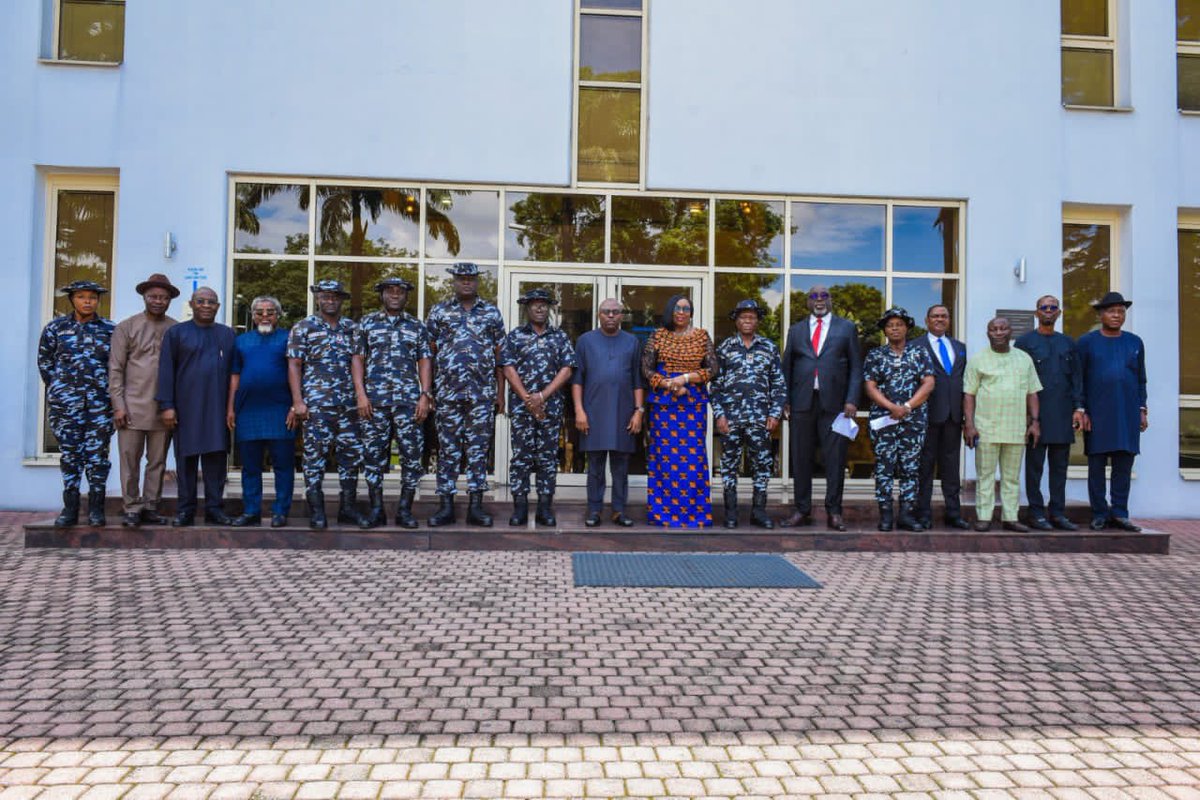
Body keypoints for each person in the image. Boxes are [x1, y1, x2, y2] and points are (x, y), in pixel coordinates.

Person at [425, 262, 506, 527]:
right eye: (461, 278)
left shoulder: (491, 313)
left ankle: (476, 507)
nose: (467, 282)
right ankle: (445, 507)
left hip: (482, 395)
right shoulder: (439, 311)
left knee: (478, 451)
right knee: (448, 451)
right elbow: (429, 352)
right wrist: (429, 391)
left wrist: (500, 394)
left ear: (477, 281)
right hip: (447, 395)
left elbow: (500, 355)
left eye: (471, 278)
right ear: (454, 281)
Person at [352, 276, 433, 529]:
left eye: (400, 291)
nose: (395, 295)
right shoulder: (367, 323)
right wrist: (361, 394)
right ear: (382, 295)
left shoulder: (417, 326)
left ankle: (404, 511)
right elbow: (357, 359)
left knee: (411, 457)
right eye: (390, 291)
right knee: (373, 456)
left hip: (408, 402)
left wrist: (425, 395)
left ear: (406, 296)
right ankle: (376, 510)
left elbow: (424, 361)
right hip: (374, 402)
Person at [781, 284, 862, 531]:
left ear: (831, 300)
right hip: (801, 403)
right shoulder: (795, 330)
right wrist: (784, 400)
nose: (819, 300)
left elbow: (856, 367)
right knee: (801, 458)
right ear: (808, 301)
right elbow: (787, 367)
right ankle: (801, 509)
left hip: (835, 405)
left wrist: (852, 399)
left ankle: (834, 511)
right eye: (814, 296)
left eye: (824, 296)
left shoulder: (846, 328)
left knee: (835, 459)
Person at [287, 280, 367, 530]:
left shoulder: (351, 328)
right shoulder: (304, 327)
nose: (330, 300)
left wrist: (360, 395)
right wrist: (297, 401)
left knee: (350, 456)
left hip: (348, 405)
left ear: (341, 300)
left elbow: (357, 361)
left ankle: (347, 509)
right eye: (325, 296)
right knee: (315, 458)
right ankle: (317, 512)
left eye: (334, 296)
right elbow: (294, 365)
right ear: (317, 299)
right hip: (317, 405)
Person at [38, 280, 116, 528]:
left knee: (98, 457)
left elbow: (117, 366)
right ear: (72, 299)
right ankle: (70, 508)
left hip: (100, 406)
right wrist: (60, 389)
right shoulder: (55, 329)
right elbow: (45, 363)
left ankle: (96, 509)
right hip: (66, 406)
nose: (87, 301)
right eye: (81, 297)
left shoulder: (110, 330)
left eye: (92, 297)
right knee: (71, 456)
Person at [157, 286, 237, 526]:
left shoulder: (227, 334)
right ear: (191, 304)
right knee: (186, 462)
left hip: (217, 409)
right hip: (186, 409)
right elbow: (166, 370)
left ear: (218, 307)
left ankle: (215, 509)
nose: (206, 305)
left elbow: (235, 373)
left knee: (216, 461)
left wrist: (232, 408)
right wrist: (167, 405)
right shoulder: (176, 333)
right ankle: (185, 510)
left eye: (211, 302)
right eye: (200, 301)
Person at [500, 288, 577, 527]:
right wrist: (528, 399)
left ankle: (545, 507)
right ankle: (520, 507)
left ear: (549, 308)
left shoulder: (560, 337)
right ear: (527, 308)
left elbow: (567, 369)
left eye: (544, 304)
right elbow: (507, 367)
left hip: (550, 408)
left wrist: (543, 396)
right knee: (521, 457)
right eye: (535, 304)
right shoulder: (515, 336)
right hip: (522, 408)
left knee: (547, 457)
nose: (540, 308)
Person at [641, 294, 718, 528]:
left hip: (692, 405)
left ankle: (695, 516)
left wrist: (685, 378)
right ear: (669, 311)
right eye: (677, 308)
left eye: (686, 308)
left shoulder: (702, 336)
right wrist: (668, 384)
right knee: (663, 458)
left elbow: (713, 369)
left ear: (691, 313)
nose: (681, 312)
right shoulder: (658, 335)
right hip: (664, 406)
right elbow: (646, 369)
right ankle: (662, 515)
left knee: (693, 458)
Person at [109, 273, 178, 527]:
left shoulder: (175, 329)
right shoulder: (126, 327)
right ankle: (131, 507)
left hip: (163, 408)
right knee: (130, 461)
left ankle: (150, 506)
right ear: (144, 297)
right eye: (153, 296)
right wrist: (118, 406)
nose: (158, 301)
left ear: (169, 300)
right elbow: (115, 369)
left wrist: (173, 406)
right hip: (131, 408)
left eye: (163, 297)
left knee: (157, 462)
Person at [710, 299, 785, 529]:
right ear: (736, 320)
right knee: (729, 466)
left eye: (752, 317)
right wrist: (719, 415)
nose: (747, 321)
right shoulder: (725, 348)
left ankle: (758, 512)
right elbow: (715, 386)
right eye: (743, 317)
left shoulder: (769, 347)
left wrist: (775, 413)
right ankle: (731, 513)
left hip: (760, 419)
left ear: (758, 321)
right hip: (731, 419)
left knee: (761, 465)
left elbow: (778, 384)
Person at [1075, 291, 1147, 532]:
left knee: (1123, 467)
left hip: (1127, 413)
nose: (1117, 315)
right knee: (1096, 467)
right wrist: (1081, 409)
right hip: (1097, 413)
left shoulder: (1135, 342)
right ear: (1101, 315)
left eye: (1121, 311)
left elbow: (1141, 379)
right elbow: (1078, 379)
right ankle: (1099, 513)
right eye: (1111, 311)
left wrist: (1142, 409)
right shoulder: (1086, 342)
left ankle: (1120, 513)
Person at [963, 317, 1042, 532]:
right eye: (993, 329)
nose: (998, 332)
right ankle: (984, 517)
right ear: (987, 333)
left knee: (1011, 477)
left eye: (1002, 329)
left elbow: (1032, 393)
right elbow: (969, 394)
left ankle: (1011, 518)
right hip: (986, 428)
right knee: (985, 476)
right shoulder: (978, 360)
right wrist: (969, 424)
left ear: (1010, 332)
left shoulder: (1024, 359)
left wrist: (1035, 422)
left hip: (1016, 428)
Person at [226, 296, 297, 528]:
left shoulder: (288, 338)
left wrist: (296, 405)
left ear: (278, 315)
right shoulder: (241, 341)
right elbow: (235, 375)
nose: (265, 316)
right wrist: (231, 408)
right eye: (259, 312)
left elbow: (298, 372)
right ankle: (251, 511)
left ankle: (280, 512)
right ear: (253, 315)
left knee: (283, 466)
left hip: (281, 410)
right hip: (248, 411)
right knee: (250, 467)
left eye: (270, 312)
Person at [573, 298, 644, 527]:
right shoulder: (585, 341)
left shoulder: (632, 342)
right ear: (598, 315)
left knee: (621, 467)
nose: (611, 315)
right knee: (594, 466)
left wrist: (639, 411)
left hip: (624, 413)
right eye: (606, 311)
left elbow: (638, 380)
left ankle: (619, 511)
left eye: (615, 311)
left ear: (622, 315)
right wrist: (579, 411)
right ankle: (594, 510)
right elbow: (577, 380)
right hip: (592, 413)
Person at [862, 307, 935, 532]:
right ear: (884, 330)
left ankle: (906, 514)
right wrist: (891, 407)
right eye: (890, 325)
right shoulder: (875, 355)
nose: (895, 328)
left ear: (907, 328)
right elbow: (870, 386)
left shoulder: (920, 352)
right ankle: (885, 515)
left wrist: (907, 407)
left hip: (913, 420)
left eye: (899, 325)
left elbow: (929, 383)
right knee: (884, 467)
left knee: (910, 468)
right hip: (884, 420)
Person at [1014, 294, 1083, 531]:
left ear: (1059, 313)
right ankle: (1035, 513)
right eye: (1044, 307)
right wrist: (1026, 416)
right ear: (1036, 313)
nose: (1049, 311)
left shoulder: (1068, 344)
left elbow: (1076, 379)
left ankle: (1058, 513)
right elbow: (1019, 381)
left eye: (1053, 307)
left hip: (1062, 414)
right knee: (1034, 468)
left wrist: (1079, 408)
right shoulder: (1024, 343)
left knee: (1059, 469)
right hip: (1036, 417)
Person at [914, 304, 971, 530]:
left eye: (944, 316)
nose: (940, 319)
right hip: (926, 415)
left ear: (949, 319)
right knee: (925, 467)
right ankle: (923, 514)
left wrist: (967, 418)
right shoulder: (915, 346)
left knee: (951, 468)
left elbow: (963, 381)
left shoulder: (960, 347)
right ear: (927, 320)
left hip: (953, 417)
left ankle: (953, 513)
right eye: (935, 316)